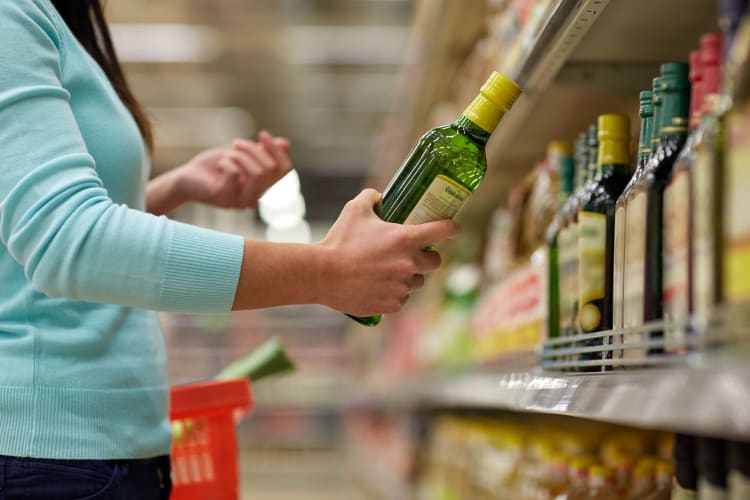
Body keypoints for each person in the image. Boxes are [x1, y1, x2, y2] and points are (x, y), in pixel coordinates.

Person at [0, 0, 459, 497]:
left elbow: (23, 237)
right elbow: (69, 241)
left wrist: (172, 188)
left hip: (95, 446)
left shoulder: (59, 18)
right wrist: (326, 272)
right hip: (51, 452)